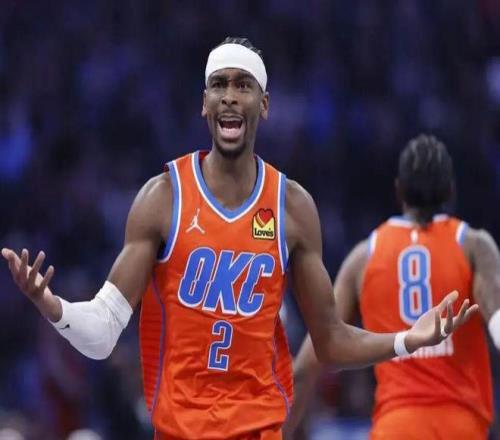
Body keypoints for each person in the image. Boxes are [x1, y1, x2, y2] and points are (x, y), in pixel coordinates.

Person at [2, 40, 477, 440]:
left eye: (243, 85)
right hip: (180, 430)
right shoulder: (163, 198)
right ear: (204, 103)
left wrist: (406, 340)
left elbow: (330, 341)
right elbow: (103, 333)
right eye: (219, 85)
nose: (230, 96)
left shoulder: (293, 208)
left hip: (258, 428)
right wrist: (54, 306)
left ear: (264, 104)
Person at [285, 135, 500, 440]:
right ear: (451, 190)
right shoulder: (474, 246)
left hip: (395, 427)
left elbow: (307, 366)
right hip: (461, 427)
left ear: (398, 190)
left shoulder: (364, 257)